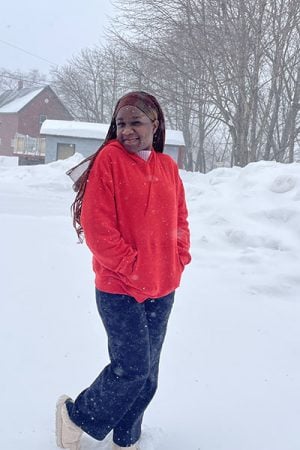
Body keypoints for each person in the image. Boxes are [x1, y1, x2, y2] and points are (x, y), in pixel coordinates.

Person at [55, 91, 191, 450]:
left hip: (163, 285)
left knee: (148, 374)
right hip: (119, 288)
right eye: (121, 123)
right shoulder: (110, 160)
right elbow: (97, 226)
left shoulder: (167, 166)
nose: (127, 130)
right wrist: (132, 267)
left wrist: (179, 256)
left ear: (155, 124)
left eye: (136, 122)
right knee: (131, 367)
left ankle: (127, 437)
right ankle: (76, 415)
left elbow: (180, 217)